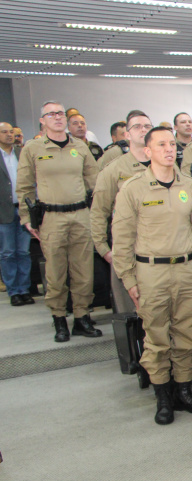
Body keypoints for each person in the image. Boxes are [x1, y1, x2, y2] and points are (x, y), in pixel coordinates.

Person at [111, 126, 192, 425]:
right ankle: (162, 396)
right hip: (150, 272)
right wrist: (129, 279)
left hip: (186, 270)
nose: (169, 149)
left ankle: (184, 390)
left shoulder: (190, 187)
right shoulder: (133, 188)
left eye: (172, 144)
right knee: (156, 336)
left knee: (186, 334)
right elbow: (123, 239)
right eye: (161, 144)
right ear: (147, 151)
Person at [16, 101, 103, 342]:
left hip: (80, 215)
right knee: (56, 273)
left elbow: (94, 182)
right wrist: (27, 217)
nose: (57, 117)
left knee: (84, 271)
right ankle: (59, 320)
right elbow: (24, 186)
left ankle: (82, 318)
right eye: (51, 114)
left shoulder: (80, 147)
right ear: (42, 120)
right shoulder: (33, 148)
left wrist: (97, 213)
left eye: (60, 114)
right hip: (51, 217)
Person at [90, 111, 153, 266]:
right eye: (137, 127)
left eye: (147, 126)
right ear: (127, 135)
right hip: (128, 247)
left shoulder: (166, 167)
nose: (143, 130)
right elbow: (99, 211)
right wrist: (104, 249)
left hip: (161, 246)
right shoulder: (114, 170)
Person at [0, 122, 33, 306]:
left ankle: (25, 289)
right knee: (7, 253)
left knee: (23, 251)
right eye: (4, 132)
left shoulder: (22, 154)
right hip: (3, 210)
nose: (9, 135)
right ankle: (13, 291)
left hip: (23, 209)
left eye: (11, 132)